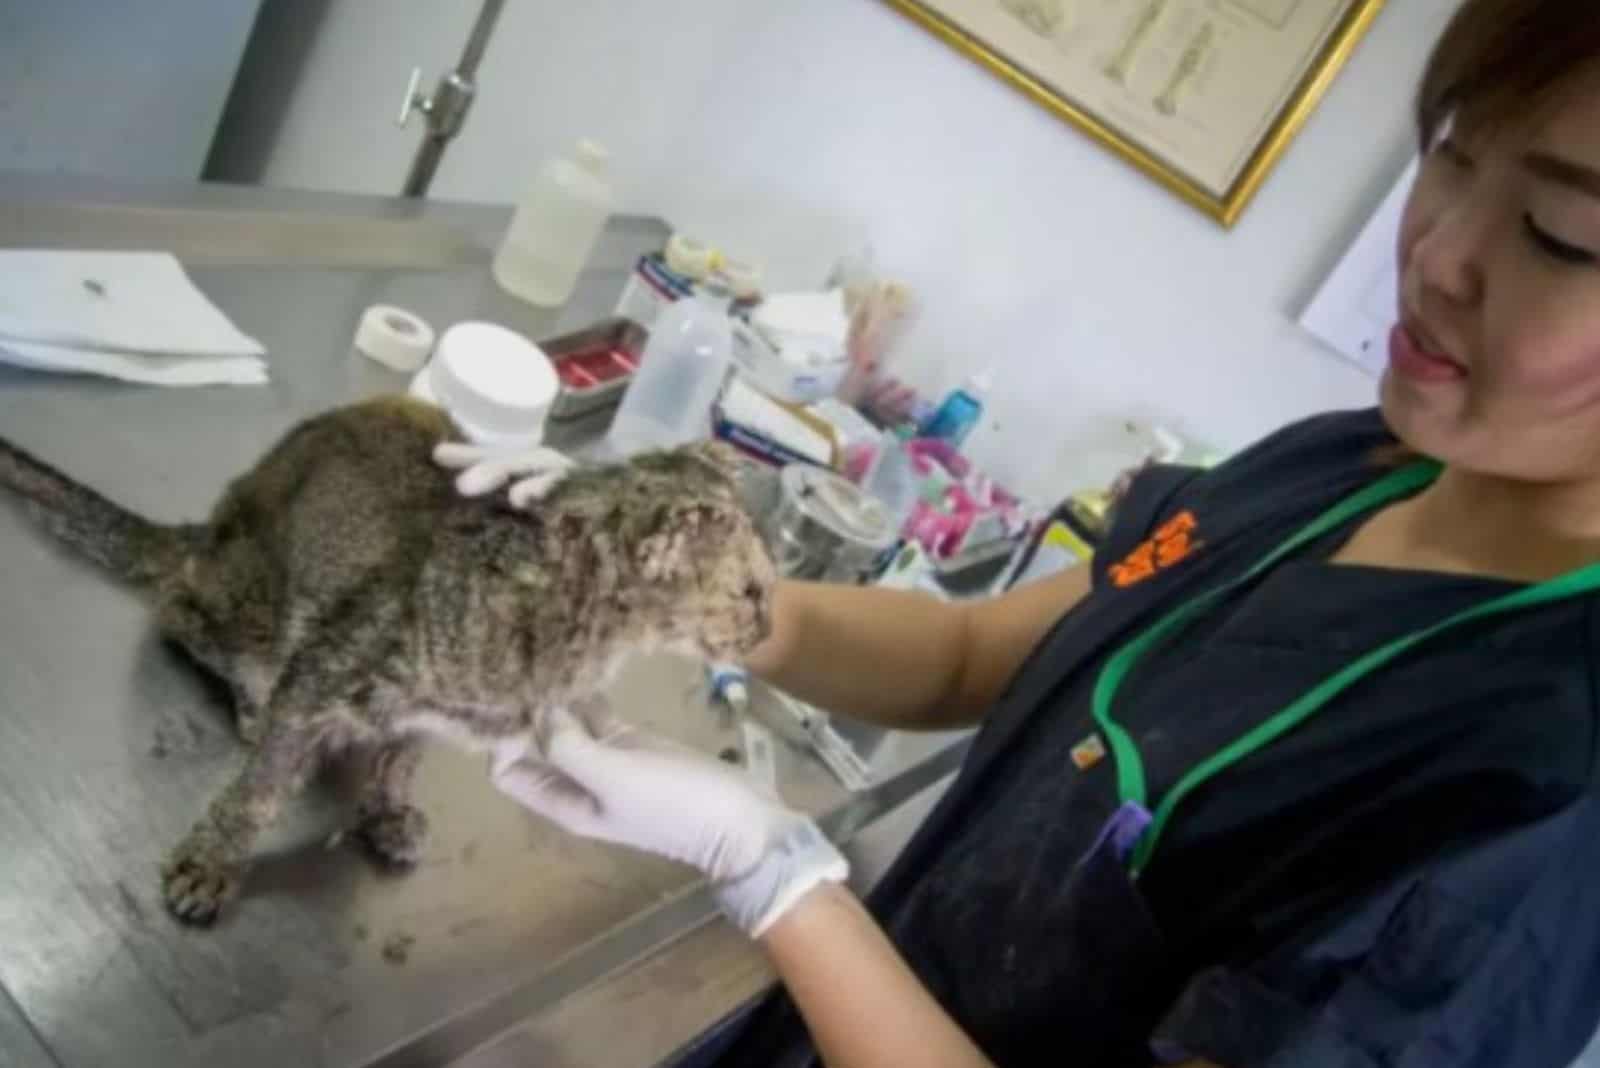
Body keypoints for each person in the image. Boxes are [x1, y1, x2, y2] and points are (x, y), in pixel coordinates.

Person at [438, 2, 1600, 1063]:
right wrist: (706, 593)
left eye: (1558, 235)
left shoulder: (1543, 811)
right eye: (1449, 155)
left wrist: (772, 871)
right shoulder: (1340, 465)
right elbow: (974, 656)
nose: (1437, 254)